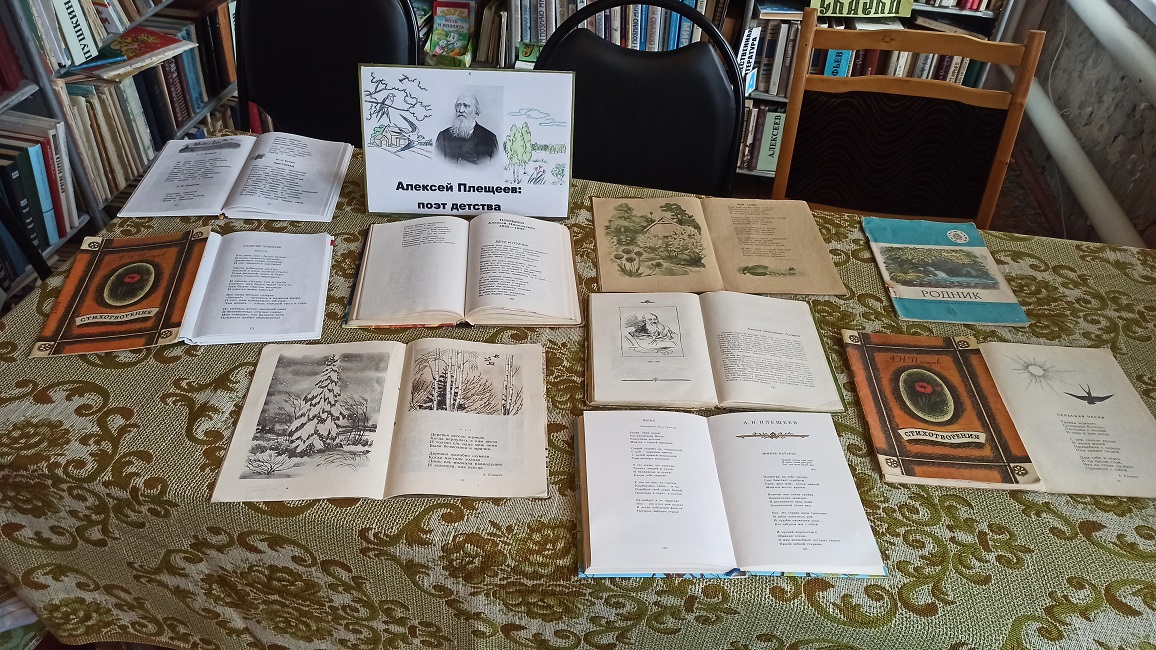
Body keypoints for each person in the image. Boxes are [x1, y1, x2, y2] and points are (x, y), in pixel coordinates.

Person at [435, 93, 499, 165]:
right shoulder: (443, 137)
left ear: (476, 111)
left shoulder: (489, 138)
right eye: (458, 105)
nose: (461, 110)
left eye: (466, 106)